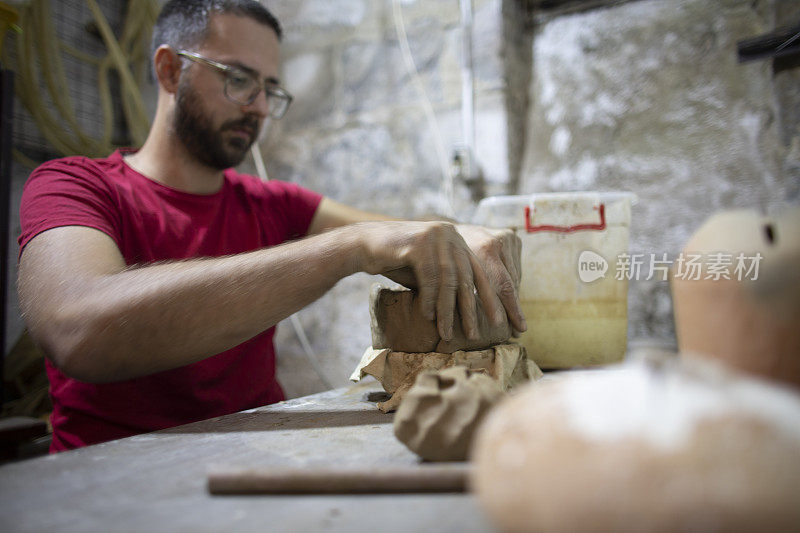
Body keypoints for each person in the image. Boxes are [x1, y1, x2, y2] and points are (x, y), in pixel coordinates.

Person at [17, 0, 526, 452]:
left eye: (270, 89)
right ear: (171, 71)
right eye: (238, 79)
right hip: (110, 478)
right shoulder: (74, 186)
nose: (259, 108)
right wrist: (344, 248)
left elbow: (404, 235)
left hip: (256, 452)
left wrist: (460, 235)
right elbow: (77, 329)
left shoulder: (272, 203)